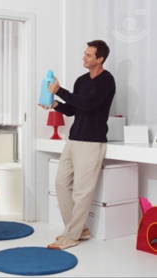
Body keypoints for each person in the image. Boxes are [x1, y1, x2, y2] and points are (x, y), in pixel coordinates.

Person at [45, 40, 116, 249]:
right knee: (60, 183)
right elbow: (75, 109)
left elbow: (89, 104)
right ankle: (79, 229)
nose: (83, 58)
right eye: (84, 53)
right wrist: (55, 104)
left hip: (93, 141)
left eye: (88, 55)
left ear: (100, 59)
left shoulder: (106, 81)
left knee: (82, 191)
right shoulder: (81, 80)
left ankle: (72, 235)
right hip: (74, 138)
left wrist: (60, 90)